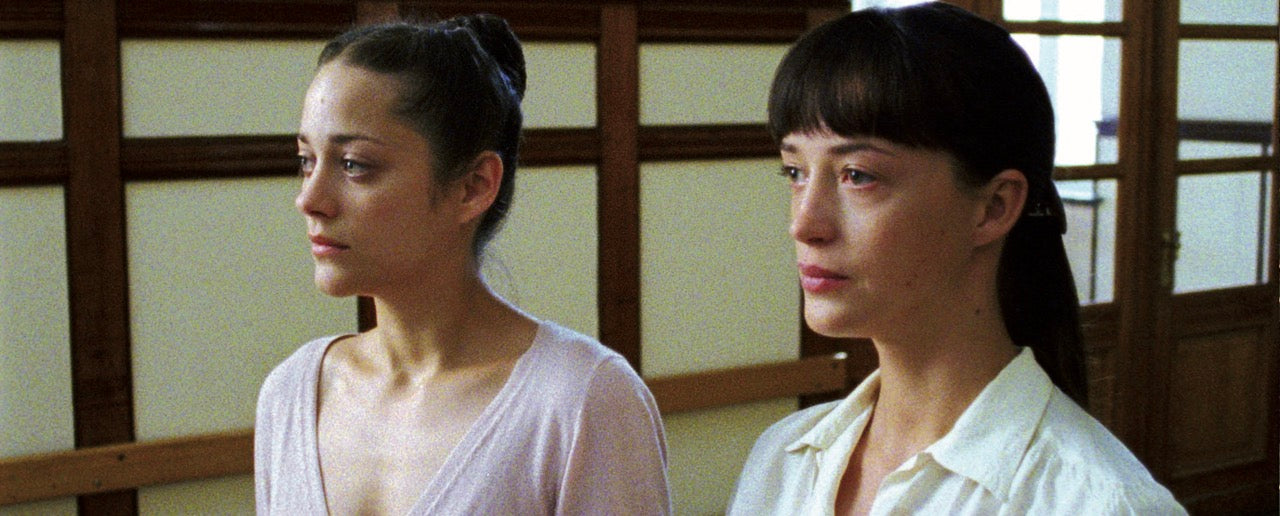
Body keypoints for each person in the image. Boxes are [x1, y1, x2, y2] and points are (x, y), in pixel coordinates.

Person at [728, 3, 1185, 515]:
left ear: (993, 208)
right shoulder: (782, 459)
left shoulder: (1099, 503)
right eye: (795, 173)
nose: (804, 224)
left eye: (857, 175)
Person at [254, 14, 671, 514]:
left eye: (354, 165)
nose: (309, 199)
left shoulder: (580, 401)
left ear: (473, 187)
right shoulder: (292, 394)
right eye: (306, 160)